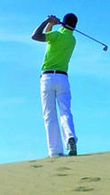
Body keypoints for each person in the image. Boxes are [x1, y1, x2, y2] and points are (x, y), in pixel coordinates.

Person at [31, 13, 78, 157]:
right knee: (65, 112)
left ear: (63, 23)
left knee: (49, 115)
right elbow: (48, 35)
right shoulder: (72, 39)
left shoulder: (57, 36)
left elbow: (36, 36)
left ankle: (55, 151)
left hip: (47, 77)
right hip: (63, 78)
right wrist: (54, 24)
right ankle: (70, 138)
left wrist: (47, 21)